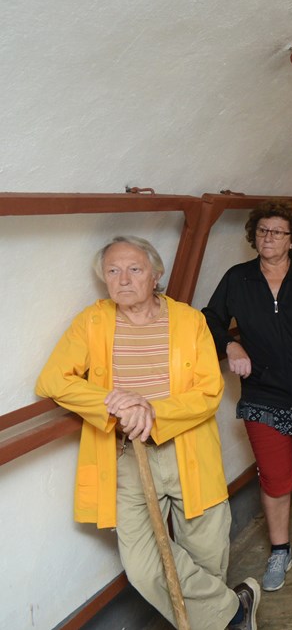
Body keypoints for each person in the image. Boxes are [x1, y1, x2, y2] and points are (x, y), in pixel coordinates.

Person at [35, 236, 259, 630]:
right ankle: (235, 610)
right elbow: (53, 380)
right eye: (113, 271)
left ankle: (220, 619)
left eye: (134, 269)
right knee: (142, 564)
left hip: (187, 448)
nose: (123, 279)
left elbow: (209, 391)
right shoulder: (92, 322)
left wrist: (153, 411)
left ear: (156, 275)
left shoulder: (189, 321)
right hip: (125, 456)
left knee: (206, 554)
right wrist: (114, 402)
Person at [202, 200, 292, 593]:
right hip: (263, 395)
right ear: (254, 236)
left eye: (277, 232)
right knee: (275, 477)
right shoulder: (238, 279)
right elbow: (209, 320)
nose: (268, 238)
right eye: (262, 231)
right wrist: (230, 344)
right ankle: (279, 549)